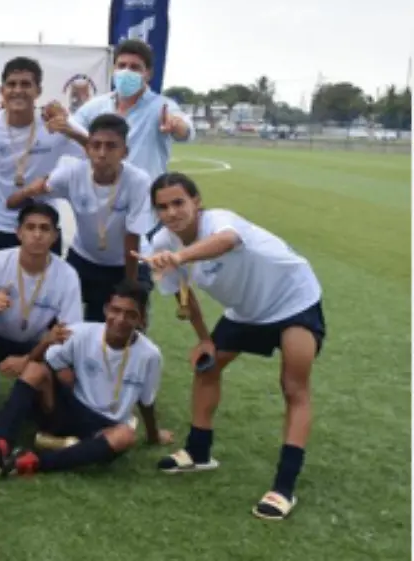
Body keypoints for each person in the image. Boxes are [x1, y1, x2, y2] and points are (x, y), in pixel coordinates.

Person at [139, 172, 325, 521]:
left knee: (293, 387)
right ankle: (198, 452)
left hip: (293, 299)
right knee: (206, 366)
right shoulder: (161, 243)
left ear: (196, 202)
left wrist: (180, 258)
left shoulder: (219, 221)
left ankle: (283, 487)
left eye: (179, 202)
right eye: (162, 207)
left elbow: (225, 241)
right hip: (246, 311)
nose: (172, 212)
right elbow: (185, 296)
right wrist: (204, 339)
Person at [0, 280, 170, 476]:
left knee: (125, 436)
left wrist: (154, 435)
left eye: (130, 315)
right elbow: (43, 361)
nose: (120, 319)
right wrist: (46, 342)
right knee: (35, 370)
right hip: (70, 408)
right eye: (115, 310)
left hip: (106, 425)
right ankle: (1, 442)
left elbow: (147, 401)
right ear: (106, 309)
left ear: (142, 320)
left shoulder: (150, 355)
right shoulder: (81, 332)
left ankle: (32, 462)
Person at [12, 114, 154, 320]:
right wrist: (26, 192)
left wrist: (130, 287)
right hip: (84, 258)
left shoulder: (138, 181)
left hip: (128, 263)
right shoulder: (72, 174)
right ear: (87, 149)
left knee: (121, 325)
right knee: (65, 320)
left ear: (125, 152)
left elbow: (133, 234)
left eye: (111, 146)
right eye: (96, 145)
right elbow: (21, 199)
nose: (102, 153)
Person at [0, 202, 83, 425]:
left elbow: (67, 335)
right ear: (19, 232)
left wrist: (28, 358)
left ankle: (39, 401)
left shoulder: (67, 275)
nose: (37, 235)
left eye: (44, 229)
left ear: (55, 236)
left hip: (37, 342)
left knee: (65, 374)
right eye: (30, 227)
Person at [0, 57, 85, 255]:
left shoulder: (56, 123)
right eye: (12, 84)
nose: (18, 90)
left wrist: (70, 131)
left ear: (39, 91)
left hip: (43, 226)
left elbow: (97, 150)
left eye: (26, 84)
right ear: (2, 90)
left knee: (45, 286)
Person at [66, 39, 192, 180]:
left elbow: (186, 131)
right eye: (122, 65)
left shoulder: (161, 107)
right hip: (104, 196)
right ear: (114, 69)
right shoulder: (95, 106)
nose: (126, 71)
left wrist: (176, 126)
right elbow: (71, 131)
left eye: (134, 67)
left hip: (146, 197)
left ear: (148, 74)